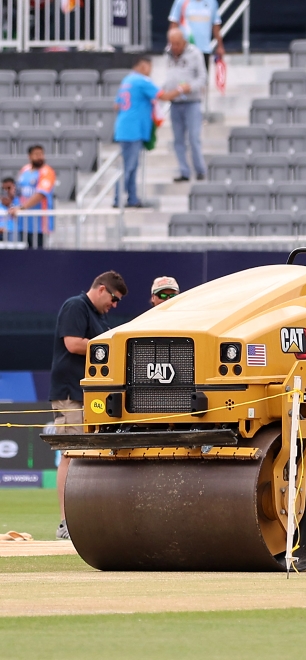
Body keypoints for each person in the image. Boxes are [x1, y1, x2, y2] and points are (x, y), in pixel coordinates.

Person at [50, 271, 128, 539]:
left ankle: (83, 518)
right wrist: (112, 348)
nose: (114, 305)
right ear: (102, 289)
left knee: (89, 454)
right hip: (71, 392)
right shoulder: (76, 305)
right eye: (114, 299)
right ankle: (65, 522)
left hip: (91, 395)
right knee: (71, 453)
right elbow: (72, 344)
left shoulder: (99, 315)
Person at [113, 56, 185, 208]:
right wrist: (181, 89)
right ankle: (117, 200)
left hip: (124, 127)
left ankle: (132, 199)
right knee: (128, 167)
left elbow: (116, 105)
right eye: (149, 66)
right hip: (133, 129)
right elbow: (163, 96)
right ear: (142, 65)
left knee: (131, 166)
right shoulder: (141, 81)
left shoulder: (127, 80)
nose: (150, 70)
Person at [164, 28, 208, 183]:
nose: (175, 47)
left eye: (177, 43)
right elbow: (169, 75)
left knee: (194, 138)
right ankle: (184, 171)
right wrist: (166, 90)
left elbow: (203, 78)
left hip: (192, 102)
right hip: (175, 103)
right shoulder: (167, 53)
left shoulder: (195, 53)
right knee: (178, 140)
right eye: (172, 44)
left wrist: (189, 87)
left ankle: (200, 170)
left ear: (183, 41)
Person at [7, 145, 56, 249]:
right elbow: (19, 192)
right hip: (22, 222)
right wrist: (13, 205)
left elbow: (40, 194)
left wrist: (21, 208)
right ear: (29, 156)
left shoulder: (47, 172)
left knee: (38, 256)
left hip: (39, 224)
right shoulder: (24, 170)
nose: (40, 157)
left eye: (41, 154)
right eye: (36, 154)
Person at [168, 0, 224, 73]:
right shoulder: (181, 1)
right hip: (185, 50)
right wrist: (171, 44)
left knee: (202, 79)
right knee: (184, 79)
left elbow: (216, 25)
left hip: (204, 49)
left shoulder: (212, 2)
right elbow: (174, 24)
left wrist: (220, 46)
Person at [0, 176, 17, 241]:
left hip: (12, 232)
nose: (6, 191)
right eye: (3, 189)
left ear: (14, 188)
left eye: (9, 188)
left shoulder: (20, 203)